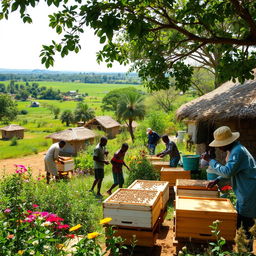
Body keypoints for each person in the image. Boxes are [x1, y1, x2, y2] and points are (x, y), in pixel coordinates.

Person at [202, 126, 256, 240]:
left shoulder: (237, 152)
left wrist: (210, 161)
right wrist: (217, 179)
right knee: (240, 221)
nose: (219, 147)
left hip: (249, 191)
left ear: (228, 142)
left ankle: (246, 250)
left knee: (246, 225)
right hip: (244, 190)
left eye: (220, 144)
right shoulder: (233, 149)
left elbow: (227, 172)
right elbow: (232, 170)